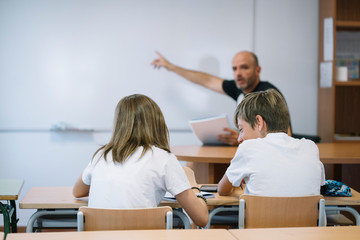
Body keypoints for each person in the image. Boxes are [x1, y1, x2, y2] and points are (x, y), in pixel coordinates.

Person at [73, 94, 209, 227]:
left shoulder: (102, 155)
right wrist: (192, 185)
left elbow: (77, 191)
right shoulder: (164, 159)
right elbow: (202, 219)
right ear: (157, 123)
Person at [151, 51, 288, 146]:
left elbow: (285, 137)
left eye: (244, 68)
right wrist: (171, 67)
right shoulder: (237, 88)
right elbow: (207, 80)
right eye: (234, 69)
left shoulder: (269, 95)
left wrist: (243, 139)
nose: (238, 73)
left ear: (257, 70)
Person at [217, 89, 325, 196]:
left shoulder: (248, 148)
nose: (239, 139)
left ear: (259, 122)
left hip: (260, 213)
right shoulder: (310, 148)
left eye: (241, 130)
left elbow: (222, 190)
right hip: (307, 214)